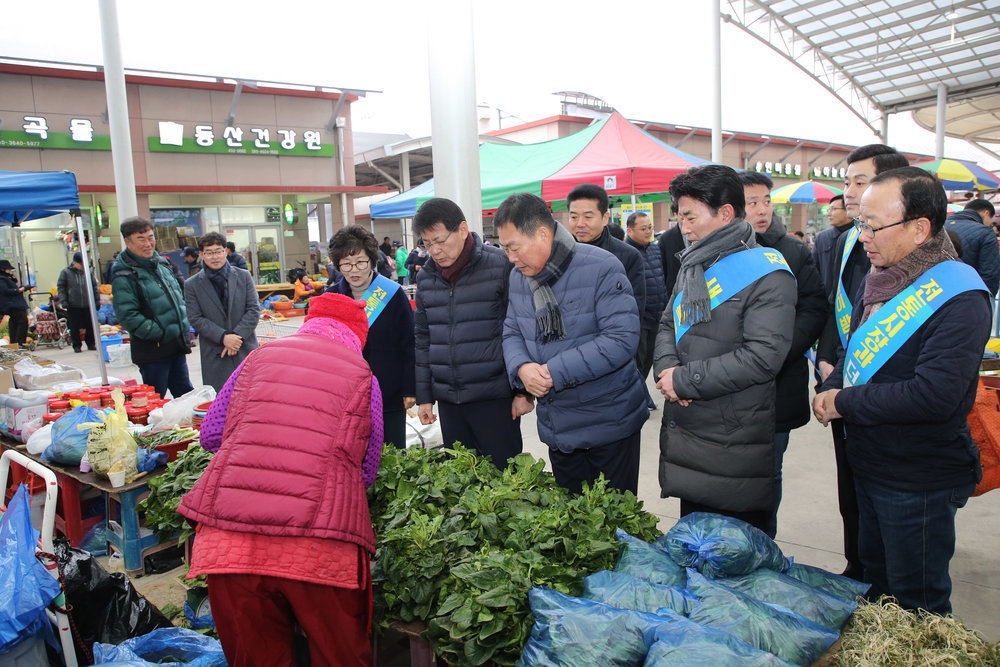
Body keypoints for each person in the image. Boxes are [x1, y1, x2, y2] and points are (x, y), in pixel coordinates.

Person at [813, 167, 990, 614]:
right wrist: (832, 384)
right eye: (860, 223)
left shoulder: (960, 295)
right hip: (870, 465)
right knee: (876, 584)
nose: (864, 236)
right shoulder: (879, 278)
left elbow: (935, 396)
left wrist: (842, 401)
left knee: (918, 604)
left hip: (918, 478)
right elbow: (856, 352)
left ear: (919, 228)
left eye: (873, 225)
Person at [179, 293, 381, 665]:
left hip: (230, 544)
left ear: (309, 323)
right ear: (357, 336)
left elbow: (209, 434)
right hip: (319, 547)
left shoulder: (257, 358)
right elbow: (366, 470)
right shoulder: (361, 374)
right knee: (340, 657)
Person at [653, 165, 796, 532]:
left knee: (734, 552)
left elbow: (762, 357)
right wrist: (668, 372)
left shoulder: (768, 273)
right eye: (679, 216)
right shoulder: (695, 264)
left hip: (732, 433)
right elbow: (669, 322)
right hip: (688, 429)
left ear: (726, 214)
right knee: (694, 540)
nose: (682, 227)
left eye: (690, 216)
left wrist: (685, 381)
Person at [497, 192, 647, 495]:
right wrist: (522, 367)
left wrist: (553, 372)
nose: (510, 258)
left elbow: (621, 340)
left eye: (514, 248)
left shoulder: (602, 266)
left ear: (542, 234)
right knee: (574, 524)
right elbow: (512, 329)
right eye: (504, 249)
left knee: (613, 522)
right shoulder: (518, 277)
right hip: (560, 427)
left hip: (609, 422)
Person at [815, 144, 908, 580]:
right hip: (840, 382)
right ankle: (857, 565)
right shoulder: (845, 239)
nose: (849, 192)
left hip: (881, 391)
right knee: (850, 485)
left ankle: (878, 576)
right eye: (847, 182)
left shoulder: (911, 254)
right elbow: (839, 305)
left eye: (859, 182)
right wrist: (826, 358)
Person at [740, 171, 828, 538]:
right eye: (751, 203)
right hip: (724, 386)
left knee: (768, 470)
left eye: (766, 201)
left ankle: (762, 541)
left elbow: (813, 308)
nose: (762, 210)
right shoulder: (715, 251)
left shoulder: (791, 250)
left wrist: (777, 350)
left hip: (778, 383)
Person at [412, 198, 530, 468]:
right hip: (449, 400)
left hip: (496, 398)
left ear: (463, 229)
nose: (435, 251)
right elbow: (423, 339)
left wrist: (523, 392)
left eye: (440, 240)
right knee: (461, 480)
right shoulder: (426, 277)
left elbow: (523, 328)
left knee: (504, 480)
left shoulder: (501, 266)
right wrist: (425, 396)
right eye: (427, 244)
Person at [327, 225, 415, 449]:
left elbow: (410, 343)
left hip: (388, 393)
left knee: (391, 457)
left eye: (360, 262)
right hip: (344, 396)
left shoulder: (392, 294)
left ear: (372, 260)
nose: (354, 270)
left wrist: (410, 388)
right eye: (346, 264)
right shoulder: (331, 298)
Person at [111, 216, 194, 398]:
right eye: (141, 239)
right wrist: (160, 332)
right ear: (127, 241)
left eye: (150, 237)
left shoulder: (162, 264)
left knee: (186, 395)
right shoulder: (124, 274)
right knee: (155, 399)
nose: (148, 243)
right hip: (153, 351)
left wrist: (184, 325)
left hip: (175, 346)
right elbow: (127, 315)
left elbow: (180, 296)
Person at [184, 232, 260, 392]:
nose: (215, 257)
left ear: (225, 251)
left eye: (218, 251)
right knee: (220, 402)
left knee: (251, 396)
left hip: (244, 347)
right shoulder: (192, 285)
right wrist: (223, 337)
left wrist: (236, 337)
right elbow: (195, 318)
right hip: (215, 353)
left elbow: (253, 310)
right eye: (209, 253)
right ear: (201, 254)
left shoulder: (243, 276)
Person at [566, 183, 646, 317]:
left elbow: (633, 310)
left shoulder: (628, 256)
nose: (580, 224)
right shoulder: (560, 254)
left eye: (588, 217)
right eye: (574, 217)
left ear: (605, 218)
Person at [624, 211, 669, 401]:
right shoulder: (626, 253)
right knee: (638, 360)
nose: (648, 232)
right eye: (643, 228)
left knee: (651, 358)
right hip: (639, 318)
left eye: (650, 227)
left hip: (657, 315)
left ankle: (641, 393)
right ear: (629, 230)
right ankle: (636, 396)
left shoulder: (654, 249)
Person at [946, 199, 999, 296]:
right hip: (969, 295)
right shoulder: (985, 232)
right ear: (986, 213)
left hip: (938, 293)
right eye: (991, 219)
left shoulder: (940, 226)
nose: (990, 223)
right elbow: (990, 273)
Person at [56, 251, 99, 353]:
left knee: (90, 325)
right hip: (73, 304)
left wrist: (97, 301)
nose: (83, 266)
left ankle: (91, 343)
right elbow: (61, 288)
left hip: (88, 303)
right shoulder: (65, 272)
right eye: (81, 264)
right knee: (73, 326)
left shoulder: (88, 272)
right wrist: (64, 301)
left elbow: (94, 287)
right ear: (75, 263)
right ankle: (77, 345)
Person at [812, 195, 851, 293]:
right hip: (826, 300)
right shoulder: (822, 238)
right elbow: (813, 270)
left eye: (833, 209)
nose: (829, 213)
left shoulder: (859, 235)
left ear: (847, 210)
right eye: (829, 209)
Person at [0, 260, 31, 347]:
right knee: (22, 321)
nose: (9, 271)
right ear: (2, 269)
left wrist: (13, 278)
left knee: (14, 321)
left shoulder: (5, 278)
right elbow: (6, 291)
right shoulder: (2, 279)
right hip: (12, 305)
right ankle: (19, 343)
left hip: (13, 304)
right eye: (8, 269)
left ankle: (15, 343)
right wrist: (20, 289)